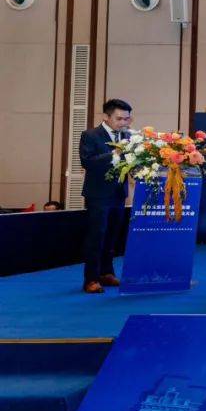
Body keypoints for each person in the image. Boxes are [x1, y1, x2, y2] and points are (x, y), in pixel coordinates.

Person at [79, 98, 132, 294]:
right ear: (106, 117)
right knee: (96, 236)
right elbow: (87, 162)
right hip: (98, 194)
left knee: (112, 235)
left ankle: (106, 273)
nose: (123, 123)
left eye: (127, 119)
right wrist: (115, 154)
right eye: (119, 119)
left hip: (119, 193)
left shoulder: (127, 136)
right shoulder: (90, 135)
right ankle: (91, 279)